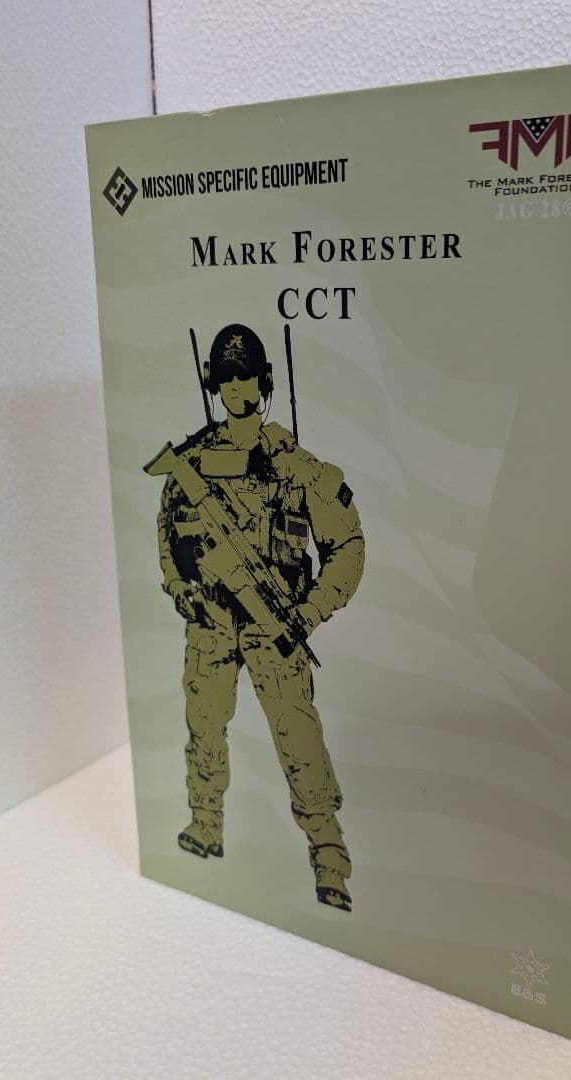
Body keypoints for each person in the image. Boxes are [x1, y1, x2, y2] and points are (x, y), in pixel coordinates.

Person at [150, 323, 364, 912]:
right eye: (227, 378)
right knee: (204, 725)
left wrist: (309, 611)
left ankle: (329, 857)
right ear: (213, 383)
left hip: (276, 626)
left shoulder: (296, 466)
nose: (237, 389)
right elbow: (169, 533)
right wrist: (180, 587)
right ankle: (206, 824)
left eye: (246, 378)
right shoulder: (191, 463)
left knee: (299, 737)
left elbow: (348, 548)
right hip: (212, 622)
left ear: (265, 380)